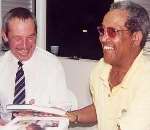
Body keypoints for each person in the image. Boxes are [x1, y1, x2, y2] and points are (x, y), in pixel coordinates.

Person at [66, 1, 150, 130]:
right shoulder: (100, 69)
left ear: (136, 37)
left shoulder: (146, 78)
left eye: (112, 32)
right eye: (102, 30)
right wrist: (72, 116)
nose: (103, 38)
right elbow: (101, 108)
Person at [0, 7, 77, 127]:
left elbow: (63, 114)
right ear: (4, 36)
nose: (25, 45)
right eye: (18, 38)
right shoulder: (1, 64)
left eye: (30, 37)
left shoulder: (52, 65)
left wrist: (36, 115)